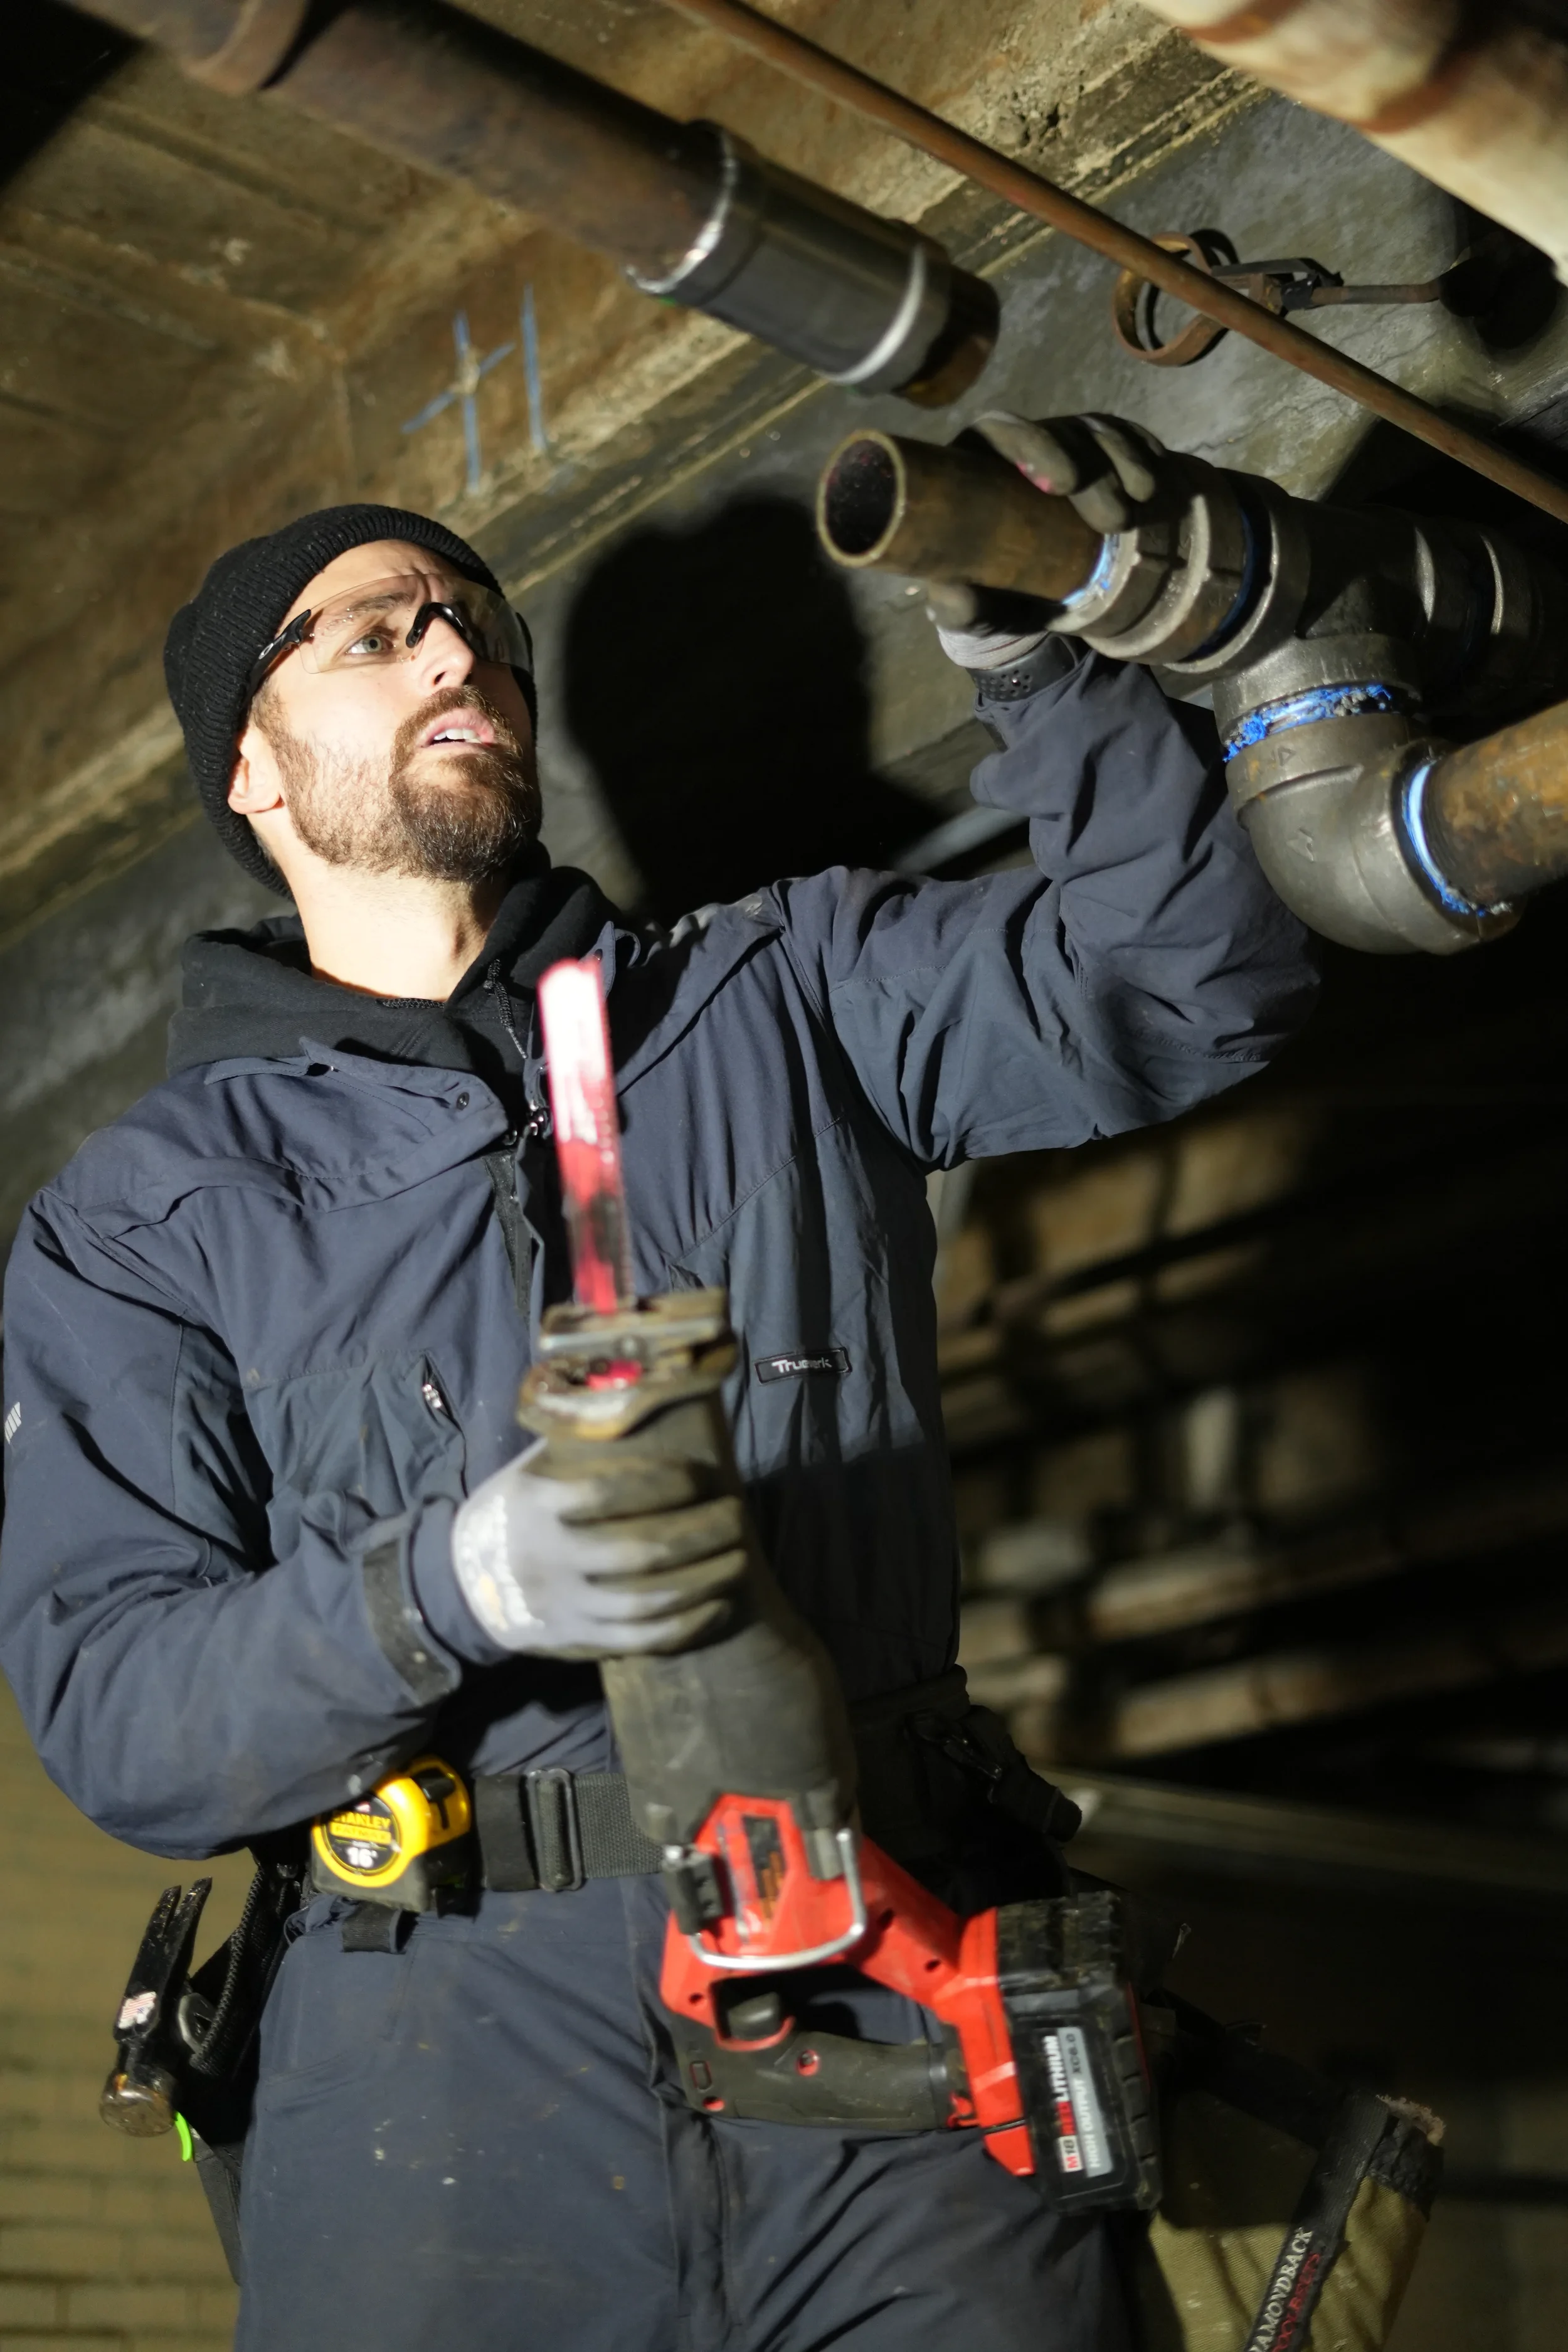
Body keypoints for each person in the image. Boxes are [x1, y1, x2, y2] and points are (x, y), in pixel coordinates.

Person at [0, 419, 1315, 2351]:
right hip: (439, 2063)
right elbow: (122, 1716)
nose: (454, 652)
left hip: (886, 1975)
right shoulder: (144, 1217)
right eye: (372, 633)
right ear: (251, 767)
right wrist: (446, 1590)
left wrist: (1037, 653)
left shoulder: (772, 993)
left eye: (472, 625)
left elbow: (1197, 981)